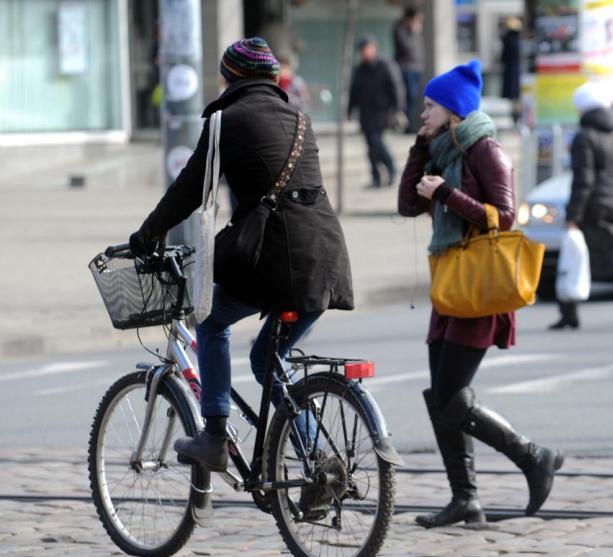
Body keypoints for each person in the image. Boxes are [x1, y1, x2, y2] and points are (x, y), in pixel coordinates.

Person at [127, 38, 354, 472]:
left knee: (211, 322)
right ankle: (315, 459)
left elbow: (188, 191)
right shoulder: (301, 119)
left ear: (230, 77)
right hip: (326, 257)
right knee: (267, 357)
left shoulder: (225, 121)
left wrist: (146, 236)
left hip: (275, 257)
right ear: (271, 78)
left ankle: (213, 438)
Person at [398, 60, 563, 527]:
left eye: (429, 106)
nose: (423, 112)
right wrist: (418, 149)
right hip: (452, 284)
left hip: (481, 285)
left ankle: (533, 457)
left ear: (452, 110)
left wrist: (447, 194)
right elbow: (407, 204)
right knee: (443, 395)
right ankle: (465, 498)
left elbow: (505, 217)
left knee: (450, 396)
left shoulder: (486, 150)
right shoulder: (439, 151)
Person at [549, 81, 613, 330]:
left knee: (573, 257)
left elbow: (583, 180)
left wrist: (573, 215)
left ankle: (572, 312)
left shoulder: (584, 137)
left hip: (594, 207)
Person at [349, 36, 405, 188]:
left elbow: (396, 88)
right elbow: (354, 92)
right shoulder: (359, 70)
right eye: (362, 50)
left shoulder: (385, 66)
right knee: (370, 147)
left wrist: (398, 109)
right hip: (365, 112)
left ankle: (392, 168)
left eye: (367, 49)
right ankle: (376, 177)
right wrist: (349, 110)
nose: (365, 53)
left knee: (376, 142)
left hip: (382, 111)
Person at [393, 6, 425, 133]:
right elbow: (406, 48)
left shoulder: (415, 31)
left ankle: (409, 124)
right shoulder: (401, 30)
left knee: (413, 98)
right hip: (406, 68)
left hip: (417, 68)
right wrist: (413, 32)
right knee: (407, 97)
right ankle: (405, 125)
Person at [500, 16, 523, 124]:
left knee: (512, 95)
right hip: (517, 70)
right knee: (516, 95)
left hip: (510, 71)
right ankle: (517, 117)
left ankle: (514, 116)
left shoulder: (508, 39)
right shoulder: (518, 40)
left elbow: (504, 56)